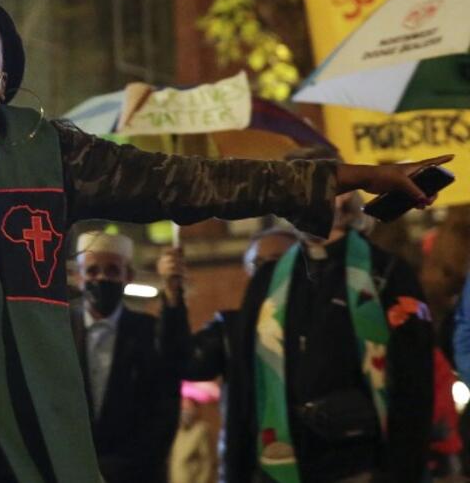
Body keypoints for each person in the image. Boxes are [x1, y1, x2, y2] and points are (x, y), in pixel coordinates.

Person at [0, 0, 451, 482]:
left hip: (16, 450)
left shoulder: (53, 157)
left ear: (5, 76)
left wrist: (356, 175)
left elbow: (193, 182)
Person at [223, 151, 434, 483]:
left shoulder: (387, 274)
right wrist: (233, 472)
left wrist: (404, 470)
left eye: (308, 187)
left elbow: (416, 382)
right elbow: (243, 383)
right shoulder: (268, 280)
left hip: (363, 464)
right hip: (283, 464)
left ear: (345, 192)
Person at [70, 231, 188, 483]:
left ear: (128, 276)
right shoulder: (58, 331)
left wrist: (172, 290)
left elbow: (165, 403)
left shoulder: (148, 331)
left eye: (112, 270)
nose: (101, 278)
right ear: (78, 276)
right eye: (92, 271)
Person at [184, 227, 299, 483]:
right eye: (259, 263)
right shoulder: (230, 329)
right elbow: (187, 364)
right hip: (250, 469)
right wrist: (174, 301)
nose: (269, 270)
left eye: (279, 261)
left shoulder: (322, 324)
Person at [170, 382, 219, 483]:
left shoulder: (201, 430)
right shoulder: (175, 431)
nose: (184, 408)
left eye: (187, 404)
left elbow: (208, 463)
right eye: (182, 404)